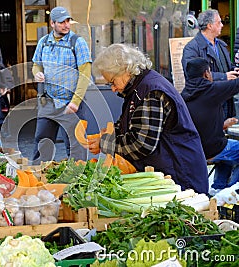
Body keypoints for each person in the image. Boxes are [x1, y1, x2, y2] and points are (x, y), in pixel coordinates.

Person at [88, 44, 209, 194]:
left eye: (112, 82)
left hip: (180, 176)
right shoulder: (137, 89)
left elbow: (141, 144)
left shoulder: (151, 91)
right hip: (168, 173)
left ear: (126, 70)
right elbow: (132, 123)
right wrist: (113, 132)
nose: (112, 89)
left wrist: (105, 143)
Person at [31, 6, 92, 164]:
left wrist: (75, 102)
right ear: (52, 23)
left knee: (76, 145)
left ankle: (78, 179)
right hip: (49, 101)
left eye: (68, 21)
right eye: (61, 22)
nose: (66, 25)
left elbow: (85, 74)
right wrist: (37, 73)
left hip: (71, 102)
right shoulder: (43, 42)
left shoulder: (78, 43)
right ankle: (36, 177)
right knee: (41, 142)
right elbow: (36, 64)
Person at [181, 58, 239, 193]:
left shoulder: (184, 94)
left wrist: (223, 125)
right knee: (230, 149)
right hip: (212, 148)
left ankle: (217, 188)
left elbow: (201, 123)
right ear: (206, 74)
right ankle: (233, 191)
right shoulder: (211, 90)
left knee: (227, 152)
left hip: (195, 149)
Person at [181, 9, 239, 122]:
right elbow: (193, 76)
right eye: (219, 22)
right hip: (207, 105)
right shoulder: (191, 48)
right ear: (210, 25)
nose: (222, 25)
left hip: (225, 101)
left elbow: (227, 67)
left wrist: (234, 70)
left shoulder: (221, 45)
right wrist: (224, 76)